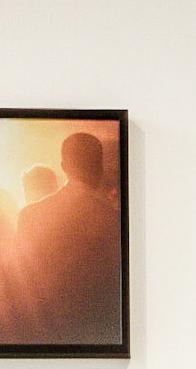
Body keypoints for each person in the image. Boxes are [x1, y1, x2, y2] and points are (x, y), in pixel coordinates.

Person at [16, 133, 122, 346]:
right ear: (100, 168)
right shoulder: (113, 219)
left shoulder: (30, 215)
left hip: (45, 334)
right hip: (98, 334)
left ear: (64, 166)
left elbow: (22, 284)